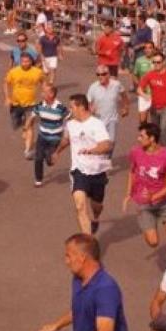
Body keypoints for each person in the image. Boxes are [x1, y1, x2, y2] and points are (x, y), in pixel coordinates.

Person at [53, 95, 113, 235]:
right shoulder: (70, 124)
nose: (70, 110)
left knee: (96, 206)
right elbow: (67, 139)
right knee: (80, 206)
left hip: (98, 171)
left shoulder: (96, 124)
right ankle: (89, 241)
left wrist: (91, 151)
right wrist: (57, 152)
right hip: (79, 170)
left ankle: (96, 218)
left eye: (72, 107)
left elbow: (106, 145)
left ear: (81, 107)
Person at [125, 123, 166, 260]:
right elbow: (132, 172)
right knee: (153, 242)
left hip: (165, 202)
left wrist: (154, 196)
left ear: (152, 138)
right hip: (145, 205)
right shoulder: (135, 152)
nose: (138, 139)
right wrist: (128, 194)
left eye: (141, 136)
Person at [3, 54, 45, 160]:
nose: (25, 63)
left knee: (30, 126)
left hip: (31, 104)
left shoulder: (37, 72)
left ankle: (27, 150)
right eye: (23, 61)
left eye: (28, 61)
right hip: (16, 103)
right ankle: (23, 126)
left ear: (31, 62)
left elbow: (44, 82)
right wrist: (7, 97)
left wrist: (45, 93)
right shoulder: (14, 72)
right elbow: (6, 83)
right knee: (15, 125)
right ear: (20, 62)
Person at [29, 84, 70, 187]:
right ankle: (38, 180)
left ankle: (51, 158)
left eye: (44, 92)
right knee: (38, 158)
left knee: (49, 161)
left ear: (51, 94)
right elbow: (32, 115)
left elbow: (69, 117)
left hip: (55, 138)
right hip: (42, 136)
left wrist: (68, 131)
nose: (42, 93)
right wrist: (27, 126)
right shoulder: (40, 105)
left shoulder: (60, 108)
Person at [138, 52, 166, 145]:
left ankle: (162, 151)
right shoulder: (149, 75)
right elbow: (139, 89)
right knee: (155, 130)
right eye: (154, 62)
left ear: (163, 62)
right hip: (154, 107)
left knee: (163, 129)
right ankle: (156, 148)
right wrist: (144, 95)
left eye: (158, 62)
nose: (156, 64)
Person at [87, 66, 129, 152]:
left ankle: (107, 159)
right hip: (98, 120)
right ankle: (101, 160)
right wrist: (90, 109)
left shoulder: (116, 84)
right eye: (98, 74)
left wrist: (126, 107)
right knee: (99, 142)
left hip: (112, 119)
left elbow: (124, 95)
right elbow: (88, 102)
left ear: (108, 74)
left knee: (111, 141)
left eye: (103, 74)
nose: (100, 76)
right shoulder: (93, 87)